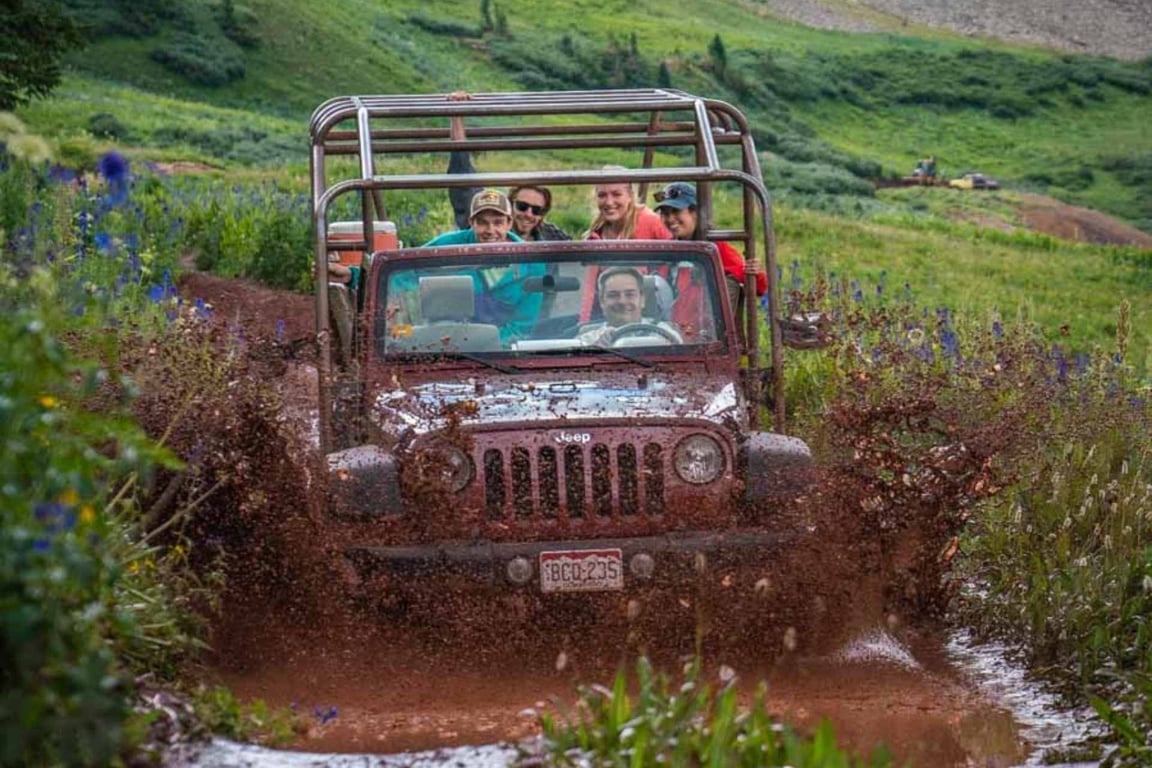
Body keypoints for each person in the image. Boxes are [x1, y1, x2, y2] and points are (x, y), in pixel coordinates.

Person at [421, 189, 544, 343]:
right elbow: (407, 269)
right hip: (445, 338)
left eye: (498, 222)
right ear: (471, 223)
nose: (490, 231)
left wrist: (483, 345)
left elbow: (522, 327)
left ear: (509, 223)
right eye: (482, 222)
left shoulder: (532, 263)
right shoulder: (447, 245)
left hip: (498, 347)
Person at [653, 181, 767, 297]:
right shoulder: (669, 249)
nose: (670, 219)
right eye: (665, 214)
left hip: (704, 314)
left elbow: (757, 287)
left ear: (694, 212)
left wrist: (755, 272)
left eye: (676, 211)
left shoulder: (713, 247)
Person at [576, 267, 682, 346]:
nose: (622, 301)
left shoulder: (664, 334)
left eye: (630, 294)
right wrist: (596, 349)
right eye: (613, 295)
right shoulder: (587, 340)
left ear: (642, 299)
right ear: (602, 302)